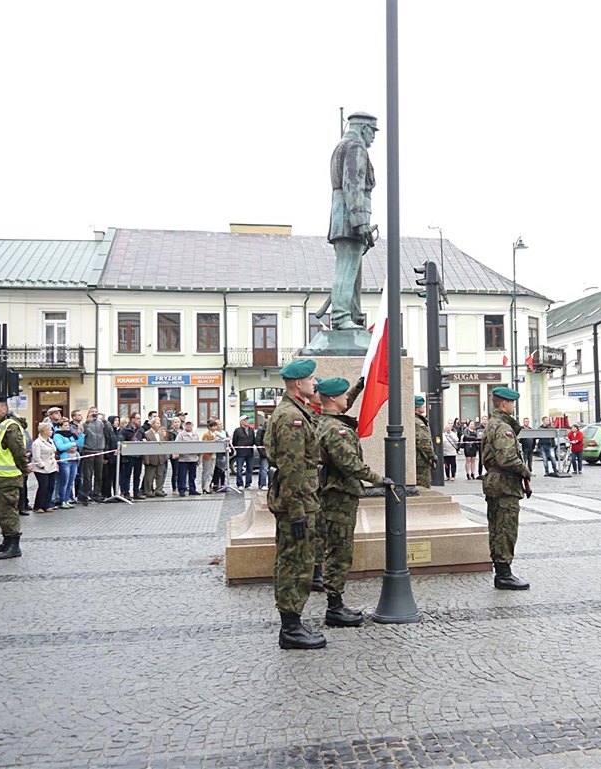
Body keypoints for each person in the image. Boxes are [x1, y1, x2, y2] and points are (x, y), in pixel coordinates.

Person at [315, 377, 391, 627]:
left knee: (339, 549)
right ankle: (334, 607)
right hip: (339, 496)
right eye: (343, 396)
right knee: (340, 551)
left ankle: (336, 603)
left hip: (338, 495)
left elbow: (346, 400)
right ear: (333, 399)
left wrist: (359, 386)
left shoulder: (326, 421)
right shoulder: (335, 430)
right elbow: (350, 463)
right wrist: (379, 479)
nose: (347, 399)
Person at [265, 359, 325, 649]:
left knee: (298, 561)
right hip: (297, 501)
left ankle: (293, 623)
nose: (315, 383)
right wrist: (297, 512)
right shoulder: (292, 417)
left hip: (303, 498)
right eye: (311, 379)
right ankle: (290, 628)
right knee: (295, 563)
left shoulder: (296, 410)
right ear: (298, 384)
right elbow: (291, 469)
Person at [327, 111, 378, 330]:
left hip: (344, 217)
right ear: (363, 128)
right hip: (350, 219)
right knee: (347, 269)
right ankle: (341, 316)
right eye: (372, 131)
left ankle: (354, 316)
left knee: (353, 271)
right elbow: (353, 185)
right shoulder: (356, 147)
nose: (373, 137)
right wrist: (360, 221)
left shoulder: (342, 146)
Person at [481, 387, 531, 590]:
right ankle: (504, 574)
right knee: (506, 528)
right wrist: (525, 471)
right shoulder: (502, 427)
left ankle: (501, 571)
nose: (513, 406)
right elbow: (507, 458)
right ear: (504, 404)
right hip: (504, 484)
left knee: (496, 527)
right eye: (512, 403)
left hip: (495, 482)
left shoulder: (492, 424)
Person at [0, 396, 30, 559]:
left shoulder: (11, 427)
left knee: (8, 513)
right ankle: (6, 542)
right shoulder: (1, 425)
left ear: (4, 409)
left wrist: (24, 469)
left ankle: (14, 546)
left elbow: (18, 451)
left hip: (8, 478)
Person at [53, 418, 84, 509]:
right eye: (65, 425)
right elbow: (60, 447)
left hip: (74, 459)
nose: (67, 427)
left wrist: (81, 435)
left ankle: (67, 500)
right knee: (64, 482)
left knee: (71, 482)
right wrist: (72, 445)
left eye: (68, 425)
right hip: (65, 460)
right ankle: (62, 500)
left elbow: (79, 444)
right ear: (60, 426)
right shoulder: (57, 435)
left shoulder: (70, 434)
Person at [79, 406, 107, 504]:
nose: (94, 414)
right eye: (92, 412)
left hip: (100, 450)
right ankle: (85, 495)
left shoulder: (101, 423)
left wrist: (105, 421)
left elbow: (108, 432)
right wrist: (87, 422)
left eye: (96, 412)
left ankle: (96, 494)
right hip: (88, 451)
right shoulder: (85, 423)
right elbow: (83, 434)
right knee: (87, 475)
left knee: (99, 475)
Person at [30, 422, 59, 513]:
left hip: (52, 467)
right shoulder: (37, 443)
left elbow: (53, 453)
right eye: (49, 430)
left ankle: (47, 505)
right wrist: (42, 466)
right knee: (43, 486)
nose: (51, 431)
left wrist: (55, 464)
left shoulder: (50, 440)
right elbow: (36, 457)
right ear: (44, 431)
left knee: (51, 486)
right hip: (41, 469)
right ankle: (38, 506)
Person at [118, 412, 146, 500]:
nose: (139, 420)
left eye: (140, 418)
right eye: (137, 418)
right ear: (132, 419)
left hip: (138, 455)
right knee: (127, 475)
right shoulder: (126, 430)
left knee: (137, 475)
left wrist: (144, 440)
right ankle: (125, 492)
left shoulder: (141, 430)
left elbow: (144, 438)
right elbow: (121, 442)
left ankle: (136, 492)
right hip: (129, 456)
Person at [174, 420, 201, 496]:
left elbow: (199, 446)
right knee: (182, 475)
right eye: (187, 424)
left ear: (192, 425)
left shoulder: (195, 434)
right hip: (183, 459)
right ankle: (182, 490)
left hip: (193, 458)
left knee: (192, 476)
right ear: (184, 425)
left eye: (190, 424)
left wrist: (199, 457)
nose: (188, 426)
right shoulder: (181, 435)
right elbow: (176, 445)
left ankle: (192, 489)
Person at [143, 418, 169, 497]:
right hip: (151, 458)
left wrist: (165, 457)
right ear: (152, 424)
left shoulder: (160, 433)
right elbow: (145, 448)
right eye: (157, 423)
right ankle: (148, 491)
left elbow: (163, 445)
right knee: (149, 476)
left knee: (160, 475)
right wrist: (146, 459)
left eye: (159, 423)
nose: (159, 425)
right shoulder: (147, 434)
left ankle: (159, 490)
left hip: (160, 458)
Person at [413, 395, 435, 487]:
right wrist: (432, 456)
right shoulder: (418, 422)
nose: (424, 407)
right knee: (423, 484)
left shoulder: (417, 420)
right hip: (421, 459)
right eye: (422, 405)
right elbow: (423, 441)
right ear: (417, 408)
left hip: (419, 459)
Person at [232, 415, 257, 488]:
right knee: (239, 469)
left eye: (247, 420)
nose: (247, 421)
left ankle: (248, 484)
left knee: (250, 469)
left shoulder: (251, 430)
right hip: (241, 453)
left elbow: (253, 440)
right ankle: (240, 484)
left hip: (250, 452)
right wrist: (238, 449)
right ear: (241, 422)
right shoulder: (237, 430)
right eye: (245, 420)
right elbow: (234, 442)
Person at [201, 419, 219, 493]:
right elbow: (205, 444)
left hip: (214, 455)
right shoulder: (206, 434)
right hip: (207, 455)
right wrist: (214, 440)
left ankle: (207, 486)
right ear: (209, 427)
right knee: (206, 471)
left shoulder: (216, 434)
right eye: (213, 426)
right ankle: (204, 487)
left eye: (215, 426)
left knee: (211, 472)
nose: (215, 427)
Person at [255, 414, 269, 490]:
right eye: (269, 418)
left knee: (268, 469)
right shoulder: (261, 430)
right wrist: (262, 452)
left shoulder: (272, 428)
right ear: (265, 419)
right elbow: (258, 442)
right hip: (264, 452)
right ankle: (263, 484)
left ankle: (264, 484)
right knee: (264, 469)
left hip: (271, 452)